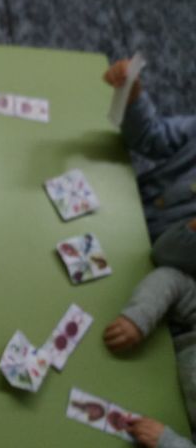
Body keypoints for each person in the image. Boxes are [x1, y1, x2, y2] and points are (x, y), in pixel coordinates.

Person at [103, 59, 196, 273]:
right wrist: (131, 94)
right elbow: (151, 137)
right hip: (120, 208)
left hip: (143, 266)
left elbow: (165, 257)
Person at [104, 267, 196, 447]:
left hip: (165, 422)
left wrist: (168, 442)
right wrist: (140, 317)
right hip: (147, 362)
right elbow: (172, 279)